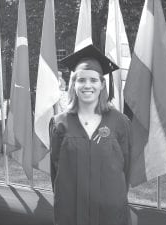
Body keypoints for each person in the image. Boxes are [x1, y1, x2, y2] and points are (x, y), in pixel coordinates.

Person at [49, 44, 132, 225]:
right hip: (70, 211)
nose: (87, 85)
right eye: (81, 80)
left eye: (94, 80)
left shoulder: (120, 122)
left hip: (110, 212)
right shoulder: (59, 123)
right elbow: (55, 171)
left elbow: (126, 169)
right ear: (73, 84)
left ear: (102, 84)